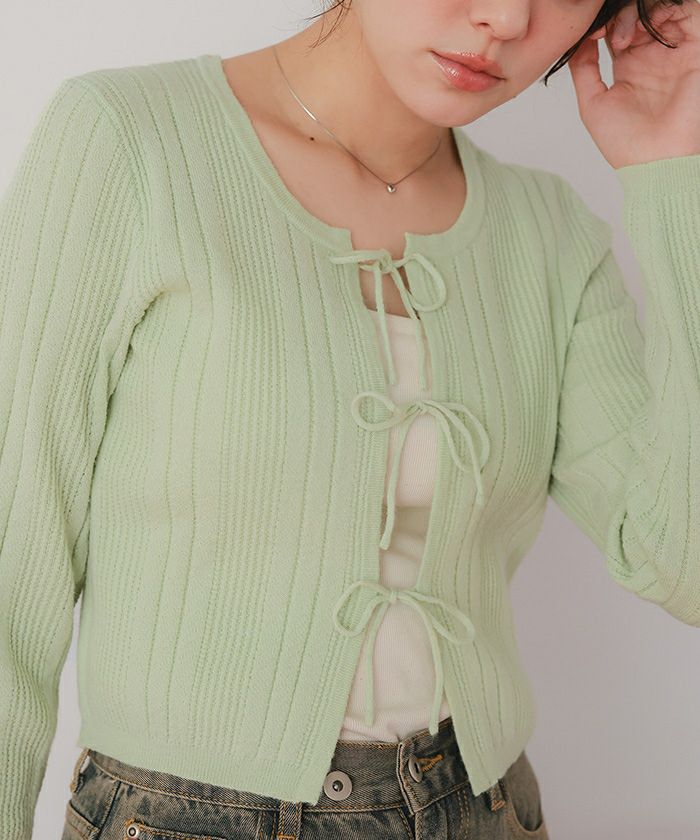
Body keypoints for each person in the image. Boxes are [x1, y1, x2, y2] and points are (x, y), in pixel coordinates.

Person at [1, 0, 699, 837]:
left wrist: (673, 175)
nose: (507, 17)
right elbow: (12, 558)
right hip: (185, 817)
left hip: (484, 810)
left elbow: (684, 564)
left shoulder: (550, 234)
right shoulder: (129, 142)